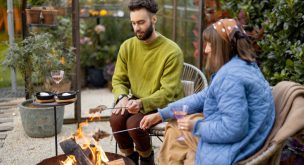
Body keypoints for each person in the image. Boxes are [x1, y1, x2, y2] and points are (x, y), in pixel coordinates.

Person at [140, 18, 276, 165]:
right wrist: (161, 114)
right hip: (251, 138)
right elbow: (201, 98)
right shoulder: (244, 66)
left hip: (240, 147)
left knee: (175, 129)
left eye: (210, 44)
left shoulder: (230, 76)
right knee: (176, 127)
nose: (206, 50)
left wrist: (196, 126)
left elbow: (234, 129)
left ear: (222, 46)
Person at [109, 0, 184, 164]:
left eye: (141, 22)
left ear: (154, 20)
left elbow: (168, 92)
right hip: (137, 101)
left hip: (163, 104)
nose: (136, 28)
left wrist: (142, 103)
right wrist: (122, 97)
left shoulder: (172, 51)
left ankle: (146, 158)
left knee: (134, 123)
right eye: (133, 23)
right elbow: (119, 80)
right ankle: (129, 159)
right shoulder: (127, 46)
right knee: (115, 119)